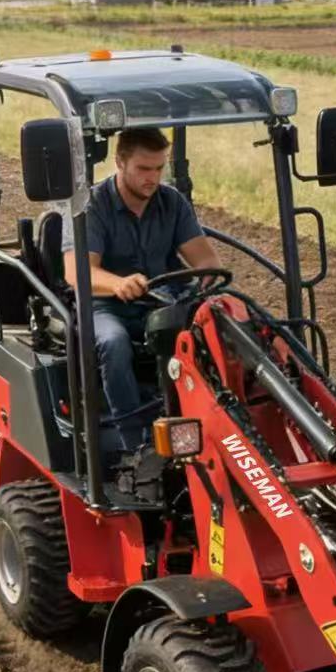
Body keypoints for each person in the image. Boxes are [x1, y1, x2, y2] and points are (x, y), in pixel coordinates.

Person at [61, 127, 220, 451]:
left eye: (159, 168)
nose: (153, 178)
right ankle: (136, 444)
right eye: (144, 169)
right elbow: (77, 272)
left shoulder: (171, 202)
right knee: (114, 343)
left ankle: (216, 428)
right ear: (120, 162)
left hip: (159, 302)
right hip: (104, 305)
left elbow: (205, 260)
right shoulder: (92, 205)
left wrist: (203, 289)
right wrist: (118, 283)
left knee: (221, 327)